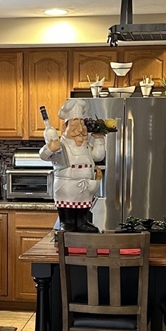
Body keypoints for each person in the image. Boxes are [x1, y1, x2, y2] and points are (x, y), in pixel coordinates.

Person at [39, 98, 106, 233]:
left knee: (83, 206)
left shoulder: (87, 146)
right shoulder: (60, 145)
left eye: (82, 126)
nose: (80, 130)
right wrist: (50, 149)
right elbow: (43, 155)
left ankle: (82, 222)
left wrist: (99, 140)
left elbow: (98, 156)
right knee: (67, 207)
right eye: (75, 127)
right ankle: (66, 222)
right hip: (66, 184)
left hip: (85, 185)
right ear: (65, 128)